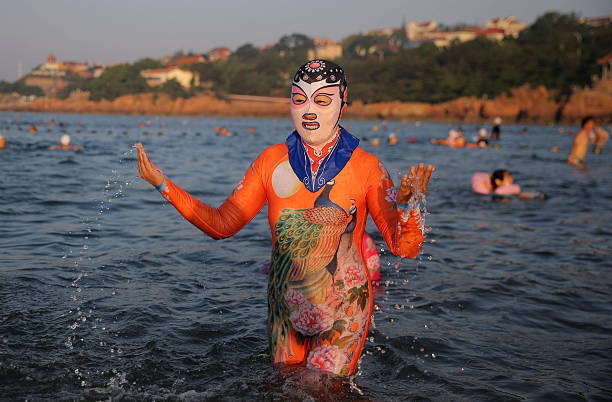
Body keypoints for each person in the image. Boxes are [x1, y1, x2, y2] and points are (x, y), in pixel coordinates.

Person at [137, 59, 434, 377]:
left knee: (325, 391)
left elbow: (404, 247)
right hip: (284, 304)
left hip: (343, 306)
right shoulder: (270, 160)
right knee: (284, 388)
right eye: (299, 98)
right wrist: (162, 184)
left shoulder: (368, 168)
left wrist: (410, 202)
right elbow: (222, 225)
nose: (309, 110)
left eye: (321, 100)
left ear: (342, 103)